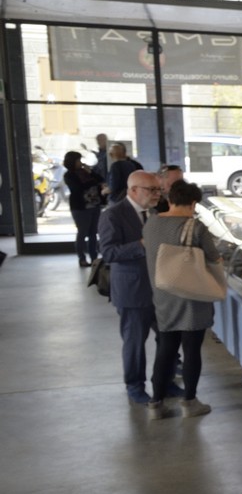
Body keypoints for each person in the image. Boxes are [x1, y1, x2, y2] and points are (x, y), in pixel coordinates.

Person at [142, 179, 220, 420]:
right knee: (191, 350)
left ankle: (156, 403)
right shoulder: (195, 227)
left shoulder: (151, 223)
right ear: (193, 203)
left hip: (163, 294)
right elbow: (214, 257)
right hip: (191, 295)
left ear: (170, 199)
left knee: (165, 349)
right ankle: (189, 402)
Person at [98, 170, 165, 405]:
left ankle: (164, 381)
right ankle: (135, 386)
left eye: (158, 189)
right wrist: (141, 244)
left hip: (160, 289)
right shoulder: (113, 215)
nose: (157, 194)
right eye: (152, 190)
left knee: (167, 338)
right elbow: (108, 253)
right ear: (134, 190)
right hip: (132, 291)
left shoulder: (154, 213)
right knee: (135, 342)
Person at [62, 150, 107, 266]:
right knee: (82, 232)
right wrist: (92, 182)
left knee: (93, 233)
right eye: (78, 160)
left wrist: (90, 172)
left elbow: (100, 179)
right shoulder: (69, 175)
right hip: (80, 207)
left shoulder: (86, 172)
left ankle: (94, 257)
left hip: (94, 205)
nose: (80, 162)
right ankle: (81, 257)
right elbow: (78, 188)